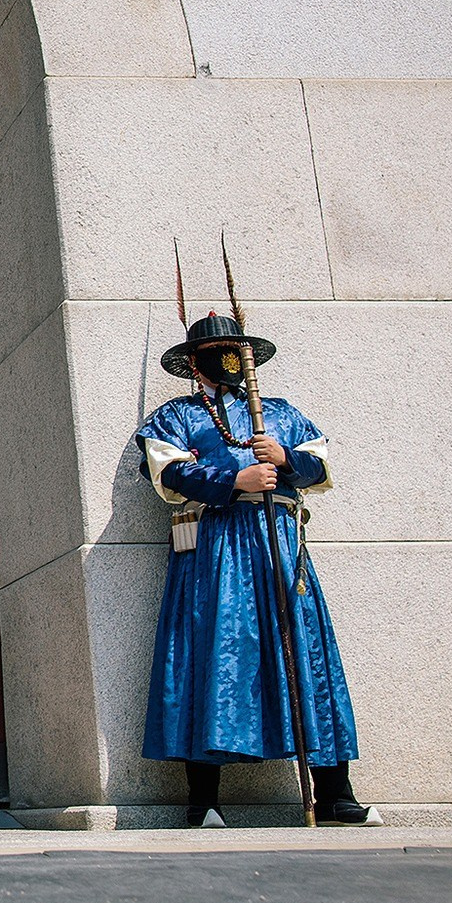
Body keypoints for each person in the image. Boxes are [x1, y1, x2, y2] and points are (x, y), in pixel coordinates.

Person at [136, 312, 376, 828]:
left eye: (234, 350)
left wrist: (285, 458)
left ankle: (335, 792)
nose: (228, 361)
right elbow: (168, 471)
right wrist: (234, 477)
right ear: (195, 366)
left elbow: (320, 467)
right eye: (216, 352)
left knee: (304, 650)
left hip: (279, 545)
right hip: (216, 545)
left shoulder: (282, 414)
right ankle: (204, 801)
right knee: (212, 653)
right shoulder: (175, 417)